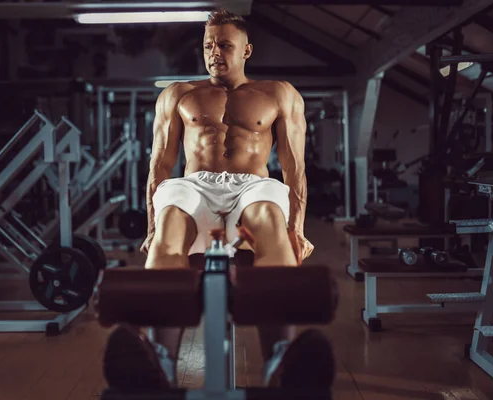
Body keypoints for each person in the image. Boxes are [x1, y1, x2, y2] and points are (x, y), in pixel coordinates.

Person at [103, 8, 335, 393]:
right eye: (209, 45)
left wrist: (298, 228)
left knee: (269, 218)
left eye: (225, 45)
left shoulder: (279, 93)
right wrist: (151, 226)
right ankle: (160, 359)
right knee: (171, 221)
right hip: (194, 183)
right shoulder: (178, 95)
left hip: (253, 185)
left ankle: (280, 356)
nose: (214, 52)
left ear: (247, 50)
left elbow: (295, 167)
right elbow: (160, 162)